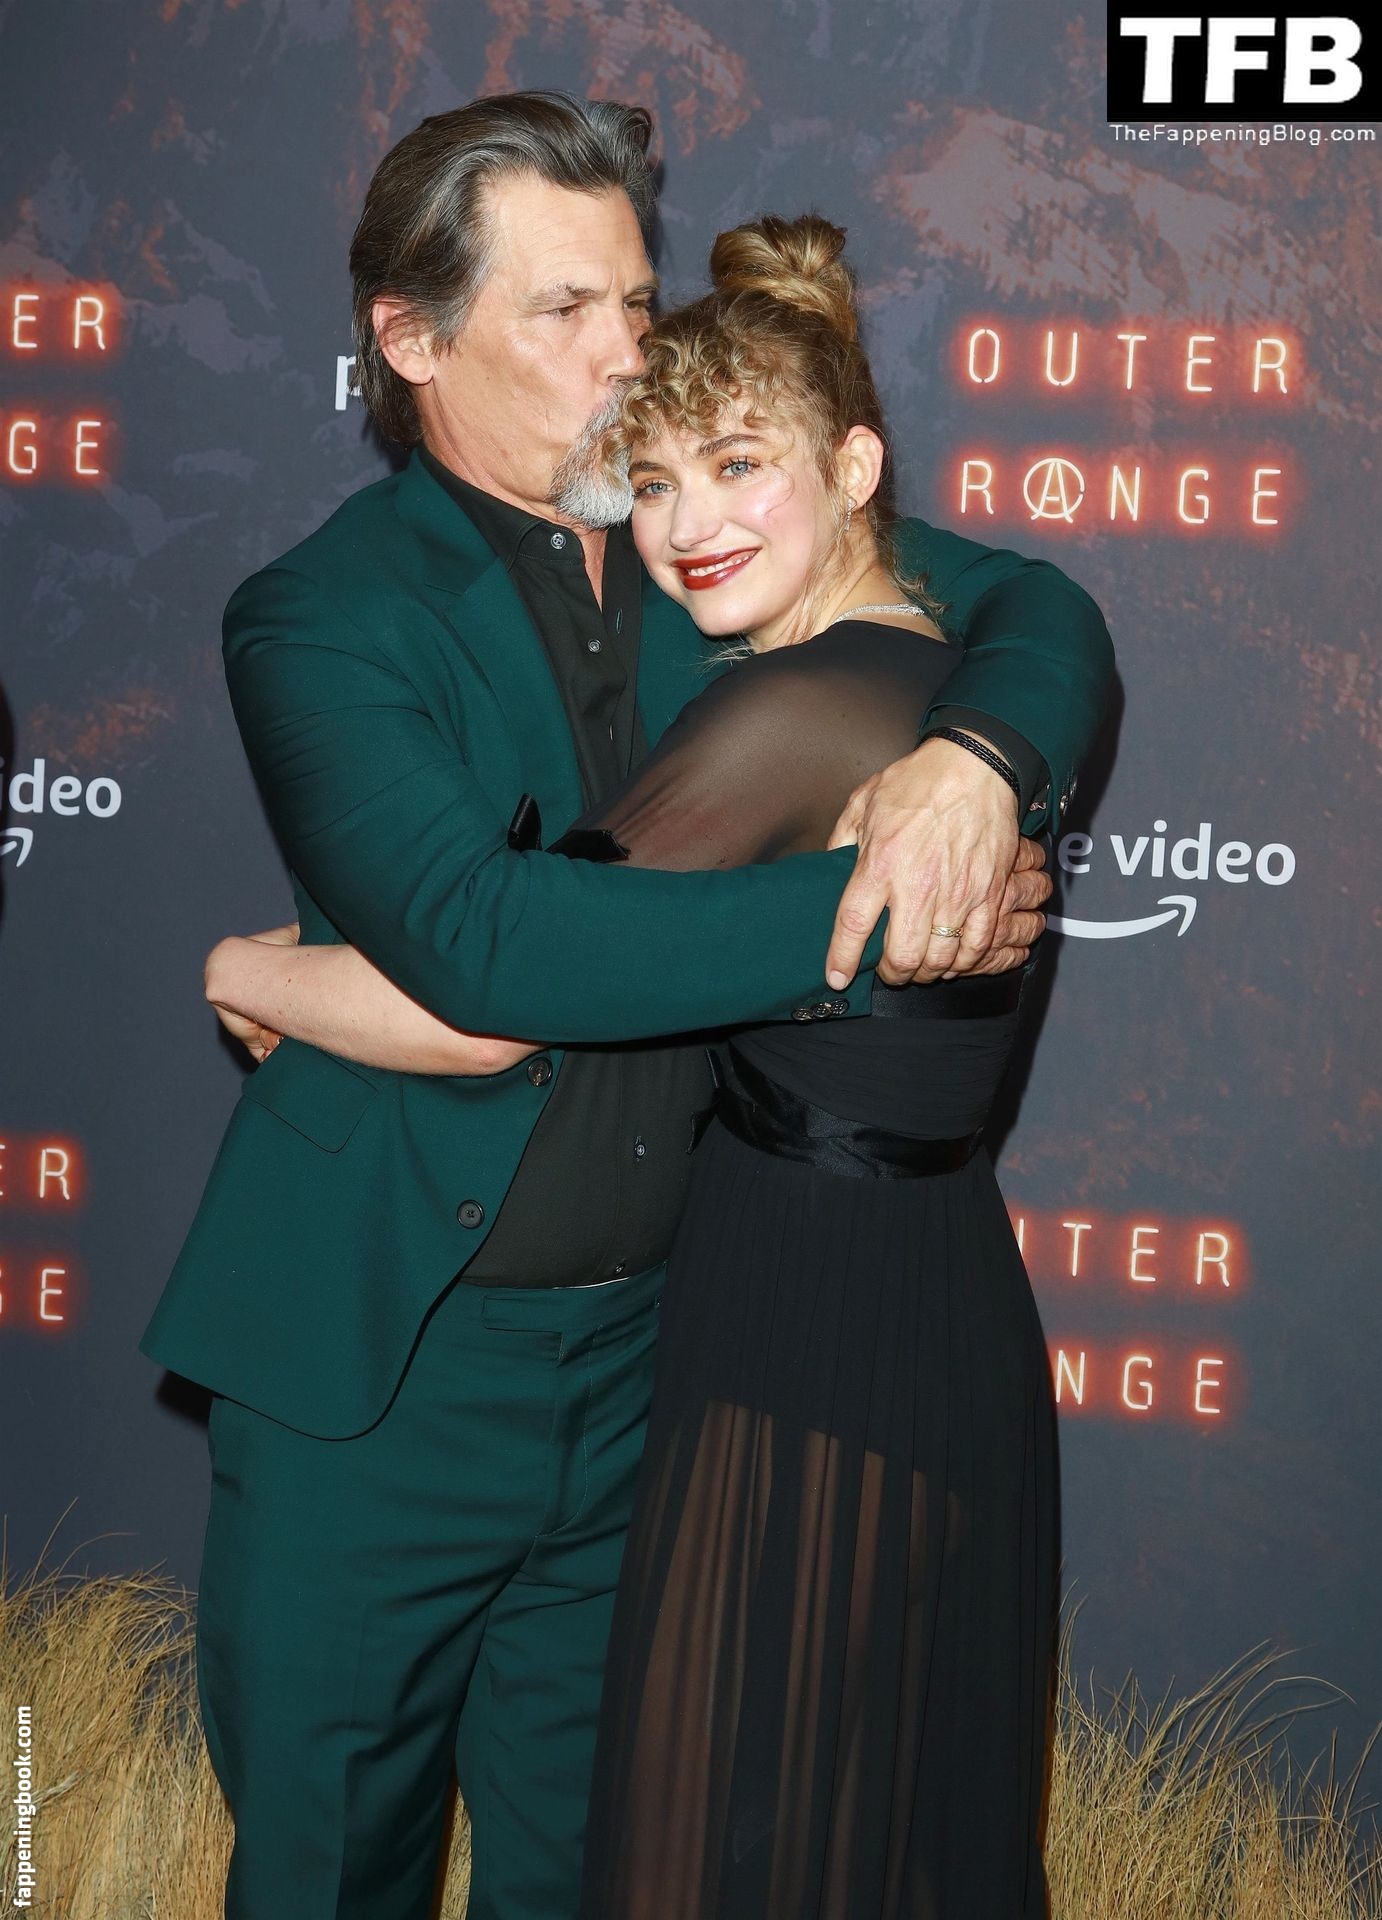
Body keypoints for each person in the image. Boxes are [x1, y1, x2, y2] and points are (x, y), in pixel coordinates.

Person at [141, 92, 1112, 1920]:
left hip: (670, 1363)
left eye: (636, 303)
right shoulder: (322, 615)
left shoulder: (720, 546)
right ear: (411, 341)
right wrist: (867, 911)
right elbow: (491, 955)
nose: (624, 359)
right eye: (564, 310)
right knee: (329, 1874)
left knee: (605, 1873)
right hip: (383, 1377)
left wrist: (978, 759)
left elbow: (1030, 604)